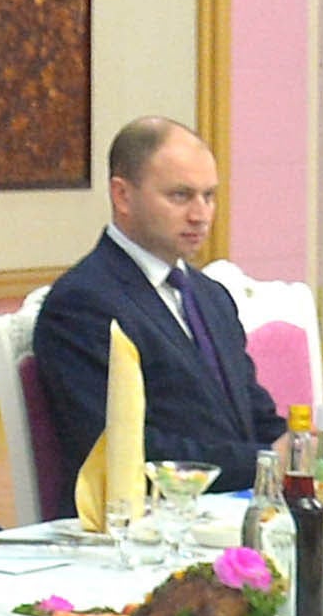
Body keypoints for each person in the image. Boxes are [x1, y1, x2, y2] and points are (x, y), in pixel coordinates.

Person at [25, 115, 271, 519]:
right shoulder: (83, 304)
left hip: (232, 515)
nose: (200, 214)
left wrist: (302, 453)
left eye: (209, 196)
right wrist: (262, 462)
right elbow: (123, 449)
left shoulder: (211, 297)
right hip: (142, 526)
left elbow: (254, 414)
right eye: (180, 196)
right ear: (122, 196)